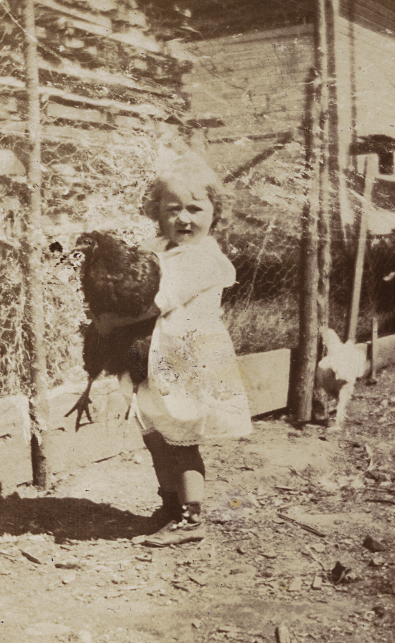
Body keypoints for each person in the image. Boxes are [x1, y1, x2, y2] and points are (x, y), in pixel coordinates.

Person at [111, 153, 252, 547]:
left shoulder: (203, 258)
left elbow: (157, 301)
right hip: (152, 359)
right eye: (173, 209)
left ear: (215, 212)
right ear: (157, 213)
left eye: (195, 208)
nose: (184, 219)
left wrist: (112, 321)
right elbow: (130, 277)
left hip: (184, 361)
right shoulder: (156, 246)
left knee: (181, 441)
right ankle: (170, 506)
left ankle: (192, 519)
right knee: (155, 435)